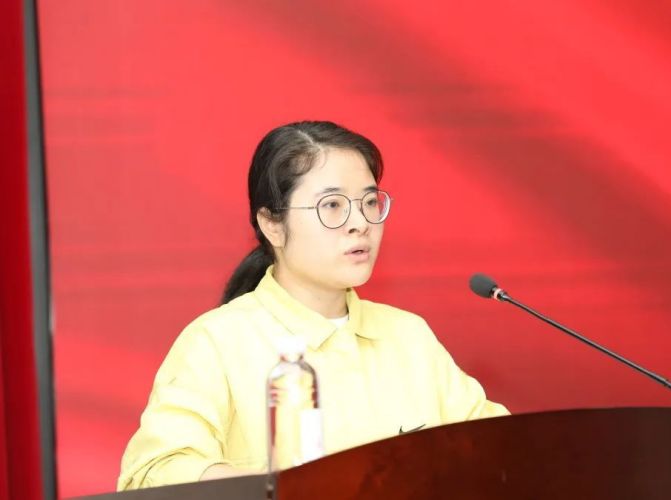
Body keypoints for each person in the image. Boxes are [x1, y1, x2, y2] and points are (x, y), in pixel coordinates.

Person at [117, 121, 508, 490]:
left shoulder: (408, 336)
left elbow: (499, 451)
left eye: (369, 202)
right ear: (272, 225)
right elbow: (155, 472)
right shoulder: (217, 342)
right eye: (333, 206)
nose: (360, 223)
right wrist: (288, 488)